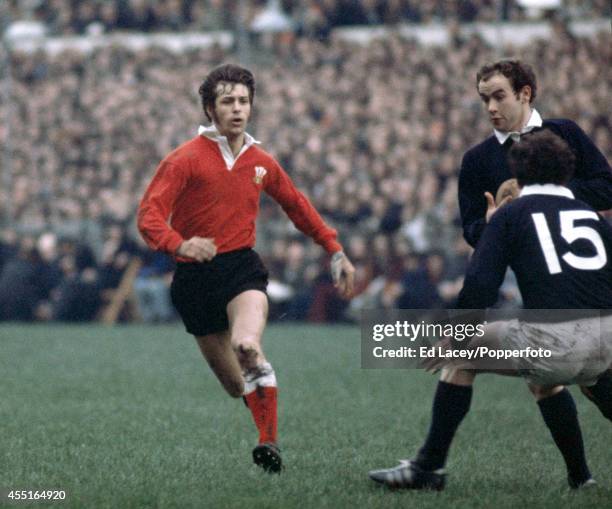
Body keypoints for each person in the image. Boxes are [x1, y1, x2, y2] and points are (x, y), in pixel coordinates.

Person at [137, 63, 355, 473]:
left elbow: (296, 205)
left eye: (243, 101)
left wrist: (333, 246)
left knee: (247, 348)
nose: (237, 109)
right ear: (209, 109)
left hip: (242, 271)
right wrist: (180, 244)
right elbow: (148, 217)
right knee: (234, 385)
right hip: (193, 280)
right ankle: (261, 422)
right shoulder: (183, 160)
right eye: (227, 101)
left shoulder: (261, 161)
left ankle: (269, 444)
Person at [368, 131, 612, 491]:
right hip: (606, 339)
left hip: (556, 340)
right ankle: (582, 479)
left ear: (519, 172)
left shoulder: (512, 213)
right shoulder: (592, 215)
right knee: (549, 379)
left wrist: (453, 338)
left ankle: (427, 468)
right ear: (567, 172)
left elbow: (481, 283)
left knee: (463, 357)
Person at [458, 59, 612, 249]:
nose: (491, 107)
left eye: (499, 97)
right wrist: (491, 223)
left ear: (524, 93)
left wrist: (552, 195)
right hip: (518, 268)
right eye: (485, 99)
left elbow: (607, 189)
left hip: (576, 250)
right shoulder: (476, 159)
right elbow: (470, 231)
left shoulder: (565, 132)